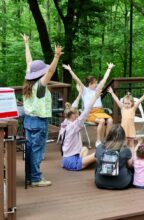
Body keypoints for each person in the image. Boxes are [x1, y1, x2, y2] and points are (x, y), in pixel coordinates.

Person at [22, 33, 63, 187]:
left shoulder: (28, 82)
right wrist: (56, 57)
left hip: (28, 121)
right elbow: (50, 71)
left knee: (30, 149)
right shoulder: (40, 85)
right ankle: (36, 179)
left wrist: (26, 44)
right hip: (39, 122)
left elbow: (29, 62)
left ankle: (30, 176)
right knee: (37, 151)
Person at [62, 63, 114, 147]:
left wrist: (109, 68)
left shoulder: (97, 89)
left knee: (110, 120)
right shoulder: (85, 90)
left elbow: (105, 78)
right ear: (90, 83)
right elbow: (77, 79)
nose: (96, 84)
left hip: (100, 111)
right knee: (102, 121)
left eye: (96, 83)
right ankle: (98, 141)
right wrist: (70, 70)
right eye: (95, 83)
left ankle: (107, 140)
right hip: (89, 112)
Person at [60, 86, 101, 171]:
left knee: (85, 148)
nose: (78, 115)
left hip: (65, 159)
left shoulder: (66, 121)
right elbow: (87, 111)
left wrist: (79, 94)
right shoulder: (74, 126)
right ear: (73, 116)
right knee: (98, 154)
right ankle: (83, 163)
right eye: (77, 114)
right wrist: (95, 97)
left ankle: (84, 162)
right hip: (71, 161)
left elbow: (73, 107)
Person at [95, 125, 133, 190]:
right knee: (131, 168)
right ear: (123, 137)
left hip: (101, 183)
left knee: (97, 166)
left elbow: (97, 161)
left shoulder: (99, 147)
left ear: (109, 135)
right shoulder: (125, 150)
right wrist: (131, 147)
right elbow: (130, 165)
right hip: (122, 183)